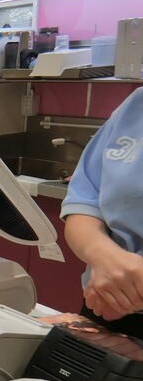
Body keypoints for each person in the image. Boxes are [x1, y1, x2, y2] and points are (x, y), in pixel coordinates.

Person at [62, 86, 143, 336]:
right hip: (104, 303)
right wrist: (105, 258)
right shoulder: (136, 105)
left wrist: (129, 290)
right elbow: (83, 206)